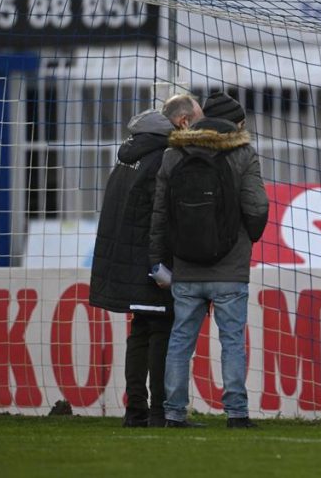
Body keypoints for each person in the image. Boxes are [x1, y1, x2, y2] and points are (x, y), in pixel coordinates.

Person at [150, 91, 269, 429]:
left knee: (180, 341)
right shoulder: (243, 152)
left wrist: (159, 260)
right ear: (236, 124)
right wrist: (246, 238)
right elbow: (257, 207)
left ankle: (173, 413)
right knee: (231, 342)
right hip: (230, 269)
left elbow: (160, 215)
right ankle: (236, 413)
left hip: (185, 267)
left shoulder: (173, 155)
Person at [89, 94, 202, 428]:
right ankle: (158, 413)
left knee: (140, 331)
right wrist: (161, 262)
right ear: (183, 122)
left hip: (125, 257)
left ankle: (135, 411)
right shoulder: (163, 156)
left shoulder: (131, 154)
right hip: (150, 261)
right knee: (159, 332)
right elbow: (160, 215)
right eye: (197, 121)